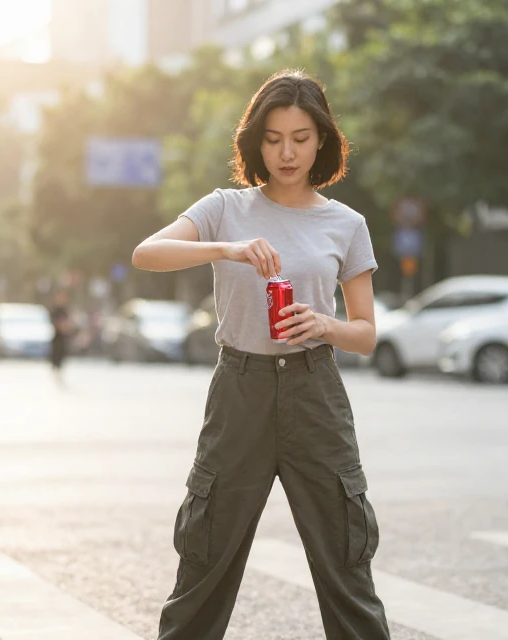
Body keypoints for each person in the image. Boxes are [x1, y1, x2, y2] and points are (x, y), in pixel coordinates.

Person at [132, 69, 391, 639]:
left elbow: (367, 332)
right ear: (256, 142)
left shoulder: (346, 224)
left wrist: (325, 324)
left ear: (322, 139)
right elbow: (146, 253)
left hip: (315, 391)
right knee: (204, 554)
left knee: (346, 559)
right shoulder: (226, 208)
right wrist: (226, 248)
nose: (287, 152)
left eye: (300, 137)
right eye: (273, 139)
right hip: (240, 389)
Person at [49, 290, 74, 386]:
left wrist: (68, 328)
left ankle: (60, 372)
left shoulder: (65, 311)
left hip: (64, 338)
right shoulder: (55, 310)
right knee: (56, 355)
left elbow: (69, 323)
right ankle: (55, 372)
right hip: (57, 337)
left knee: (63, 355)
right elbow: (54, 323)